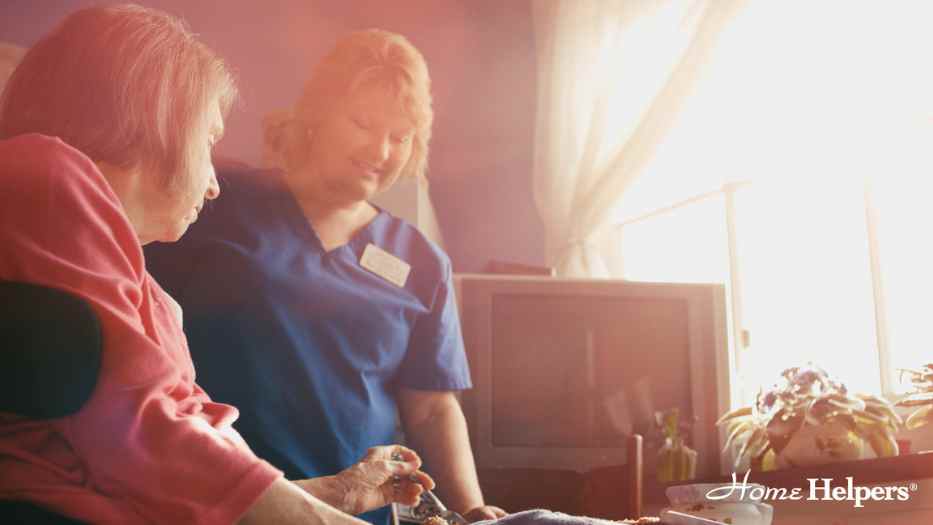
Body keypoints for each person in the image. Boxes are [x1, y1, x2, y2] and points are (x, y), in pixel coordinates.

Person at [0, 5, 432, 524]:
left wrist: (335, 494)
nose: (213, 183)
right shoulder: (43, 176)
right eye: (209, 141)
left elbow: (178, 454)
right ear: (160, 118)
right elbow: (142, 435)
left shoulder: (144, 289)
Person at [145, 29, 507, 525]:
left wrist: (472, 510)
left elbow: (432, 408)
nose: (380, 151)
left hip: (359, 513)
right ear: (316, 116)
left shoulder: (421, 261)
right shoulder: (212, 199)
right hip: (227, 502)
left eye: (400, 137)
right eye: (363, 123)